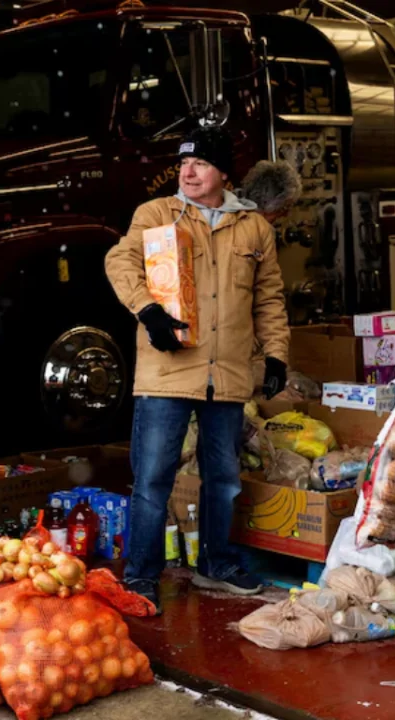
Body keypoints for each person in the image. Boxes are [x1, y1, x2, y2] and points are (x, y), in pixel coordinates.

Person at [106, 127, 290, 611]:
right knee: (152, 480)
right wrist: (147, 310)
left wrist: (275, 355)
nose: (187, 172)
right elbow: (119, 261)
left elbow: (269, 300)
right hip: (166, 373)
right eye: (184, 163)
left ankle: (217, 564)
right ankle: (142, 574)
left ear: (223, 173)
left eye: (200, 164)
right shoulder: (156, 215)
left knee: (224, 478)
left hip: (226, 374)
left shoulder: (254, 229)